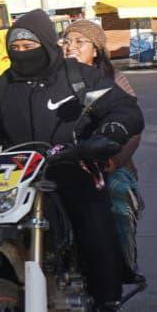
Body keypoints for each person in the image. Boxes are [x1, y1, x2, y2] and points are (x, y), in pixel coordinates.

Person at [0, 9, 144, 312]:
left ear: (45, 43)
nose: (24, 53)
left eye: (30, 45)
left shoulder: (76, 75)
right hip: (17, 175)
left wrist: (111, 130)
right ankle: (3, 298)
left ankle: (107, 304)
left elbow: (123, 107)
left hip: (70, 165)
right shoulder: (4, 86)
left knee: (95, 221)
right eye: (18, 47)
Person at [62, 19, 144, 281]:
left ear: (96, 50)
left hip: (106, 164)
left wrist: (115, 160)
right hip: (63, 163)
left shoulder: (114, 80)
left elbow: (134, 129)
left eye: (79, 42)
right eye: (66, 41)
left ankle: (121, 270)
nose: (70, 47)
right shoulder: (55, 80)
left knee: (116, 197)